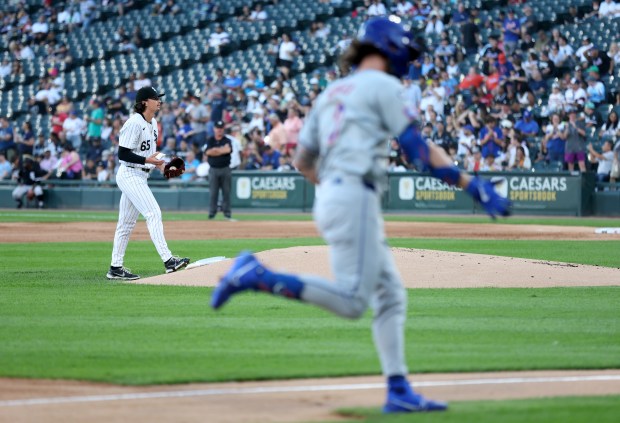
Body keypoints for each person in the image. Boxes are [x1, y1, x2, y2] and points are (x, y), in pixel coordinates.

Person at [210, 17, 510, 414]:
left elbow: (302, 160)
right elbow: (416, 151)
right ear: (389, 48)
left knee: (390, 296)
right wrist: (472, 184)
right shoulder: (384, 86)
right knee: (354, 301)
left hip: (333, 194)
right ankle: (257, 276)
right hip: (353, 195)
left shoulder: (332, 91)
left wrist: (336, 191)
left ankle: (399, 389)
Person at [107, 86, 190, 281]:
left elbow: (149, 155)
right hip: (129, 174)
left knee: (126, 224)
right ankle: (168, 260)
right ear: (144, 102)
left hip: (141, 174)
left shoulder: (153, 122)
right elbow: (123, 153)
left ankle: (115, 268)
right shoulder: (134, 123)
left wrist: (162, 166)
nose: (159, 101)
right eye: (155, 98)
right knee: (153, 213)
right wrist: (147, 162)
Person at [204, 120, 233, 220]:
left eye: (221, 128)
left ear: (223, 129)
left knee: (226, 192)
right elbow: (208, 152)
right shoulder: (210, 140)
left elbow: (228, 150)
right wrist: (221, 150)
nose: (219, 130)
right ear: (214, 129)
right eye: (217, 128)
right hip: (213, 169)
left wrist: (215, 150)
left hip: (225, 169)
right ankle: (212, 213)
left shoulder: (227, 140)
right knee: (213, 193)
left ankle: (227, 213)